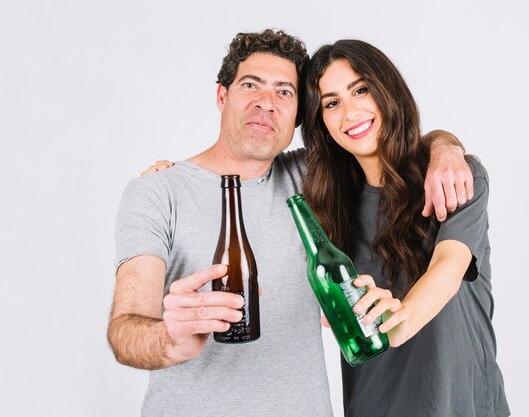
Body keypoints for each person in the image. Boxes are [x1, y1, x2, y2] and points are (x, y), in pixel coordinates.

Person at [109, 29, 472, 417]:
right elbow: (125, 329)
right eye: (251, 85)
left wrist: (445, 148)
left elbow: (385, 137)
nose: (266, 103)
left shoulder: (313, 179)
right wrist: (170, 339)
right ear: (222, 96)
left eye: (284, 92)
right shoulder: (157, 192)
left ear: (300, 115)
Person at [302, 39, 509, 417]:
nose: (350, 113)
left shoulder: (456, 178)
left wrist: (400, 318)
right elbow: (246, 170)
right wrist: (165, 176)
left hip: (464, 406)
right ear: (321, 121)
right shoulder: (326, 205)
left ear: (388, 89)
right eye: (331, 103)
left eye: (361, 89)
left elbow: (449, 266)